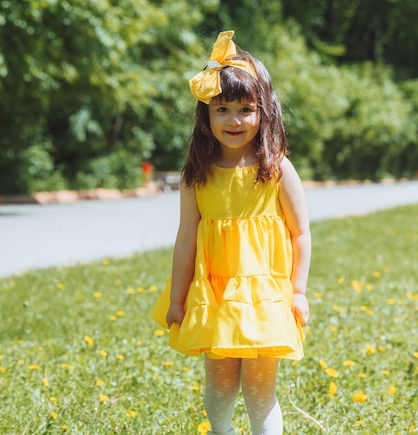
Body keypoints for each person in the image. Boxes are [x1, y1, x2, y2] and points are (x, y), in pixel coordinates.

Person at [152, 30, 311, 435]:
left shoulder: (276, 169)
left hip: (265, 295)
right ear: (206, 116)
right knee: (220, 383)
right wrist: (177, 297)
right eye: (222, 110)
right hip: (217, 295)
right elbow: (186, 238)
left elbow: (300, 233)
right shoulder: (197, 175)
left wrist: (297, 291)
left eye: (245, 109)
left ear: (264, 113)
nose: (234, 120)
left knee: (260, 389)